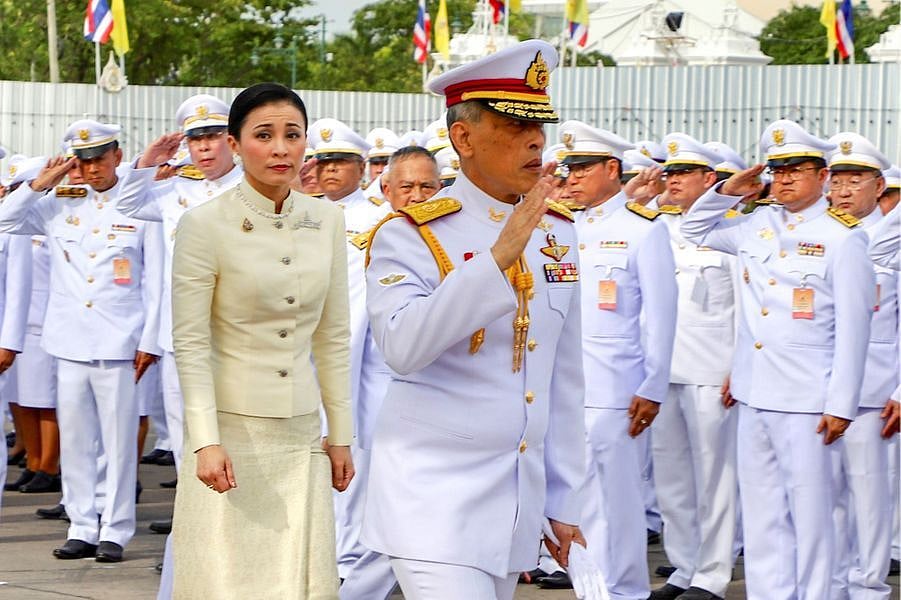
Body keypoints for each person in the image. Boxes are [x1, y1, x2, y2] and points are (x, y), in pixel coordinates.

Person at [363, 39, 586, 600]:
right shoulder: (410, 234)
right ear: (462, 137)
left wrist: (563, 500)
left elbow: (560, 378)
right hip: (431, 500)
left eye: (540, 125)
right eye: (514, 125)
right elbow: (402, 345)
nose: (535, 139)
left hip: (513, 502)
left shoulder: (557, 232)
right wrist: (496, 259)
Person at [170, 82, 353, 599]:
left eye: (292, 135)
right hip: (230, 432)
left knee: (300, 581)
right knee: (226, 579)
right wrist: (206, 440)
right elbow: (190, 343)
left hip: (300, 436)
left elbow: (332, 336)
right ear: (235, 144)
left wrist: (340, 432)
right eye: (263, 135)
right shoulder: (204, 225)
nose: (280, 148)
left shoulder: (327, 220)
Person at [680, 119, 875, 599]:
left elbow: (854, 329)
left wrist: (841, 403)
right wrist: (728, 190)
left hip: (809, 399)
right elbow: (693, 226)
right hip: (754, 392)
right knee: (765, 514)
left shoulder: (843, 238)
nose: (785, 178)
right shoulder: (755, 224)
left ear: (823, 175)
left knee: (811, 517)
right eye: (778, 168)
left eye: (797, 169)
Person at [0, 120, 165, 563]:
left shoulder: (138, 205)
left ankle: (115, 529)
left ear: (117, 155)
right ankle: (81, 524)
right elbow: (4, 218)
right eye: (84, 160)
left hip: (120, 344)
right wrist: (39, 184)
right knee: (75, 441)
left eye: (99, 158)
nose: (92, 169)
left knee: (117, 442)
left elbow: (155, 282)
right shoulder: (57, 204)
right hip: (68, 341)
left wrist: (149, 339)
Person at [553, 120, 677, 600]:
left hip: (618, 388)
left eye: (583, 167)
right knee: (578, 498)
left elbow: (660, 318)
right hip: (570, 387)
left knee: (617, 499)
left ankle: (625, 590)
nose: (574, 177)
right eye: (570, 169)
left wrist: (652, 385)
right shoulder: (566, 227)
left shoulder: (643, 230)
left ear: (611, 169)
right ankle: (592, 589)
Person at [338, 146, 442, 600]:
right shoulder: (375, 242)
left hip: (448, 405)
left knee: (418, 513)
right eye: (407, 187)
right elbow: (355, 336)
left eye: (428, 186)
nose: (418, 196)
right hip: (387, 402)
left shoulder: (456, 241)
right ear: (386, 190)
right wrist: (345, 422)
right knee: (399, 512)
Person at [649, 134, 739, 600]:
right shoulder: (656, 228)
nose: (674, 181)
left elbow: (748, 307)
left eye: (684, 174)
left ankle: (712, 574)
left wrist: (738, 368)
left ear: (710, 180)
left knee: (715, 477)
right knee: (671, 479)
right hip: (663, 371)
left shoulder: (730, 230)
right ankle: (683, 567)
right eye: (670, 173)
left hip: (712, 369)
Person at [825, 132, 898, 600]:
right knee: (825, 498)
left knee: (870, 497)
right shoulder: (820, 235)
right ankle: (830, 584)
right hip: (818, 387)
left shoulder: (894, 239)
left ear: (879, 186)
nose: (846, 190)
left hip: (874, 390)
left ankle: (868, 587)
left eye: (857, 180)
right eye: (839, 180)